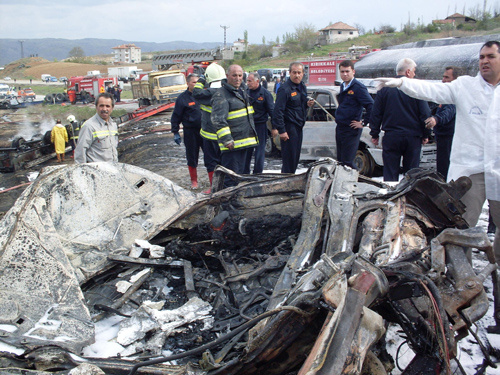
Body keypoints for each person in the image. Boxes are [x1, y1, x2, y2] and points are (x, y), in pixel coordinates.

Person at [375, 40, 500, 263]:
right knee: (461, 226)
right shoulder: (466, 86)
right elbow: (433, 90)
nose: (485, 61)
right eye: (482, 57)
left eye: (490, 56)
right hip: (471, 170)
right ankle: (463, 277)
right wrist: (402, 83)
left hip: (498, 169)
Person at [369, 58, 431, 181]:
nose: (414, 74)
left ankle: (390, 197)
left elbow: (376, 113)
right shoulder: (416, 88)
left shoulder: (385, 88)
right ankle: (408, 198)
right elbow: (425, 114)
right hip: (413, 137)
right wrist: (426, 134)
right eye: (414, 71)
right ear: (408, 72)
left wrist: (374, 133)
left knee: (390, 173)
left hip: (392, 136)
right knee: (412, 174)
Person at [211, 64, 258, 187]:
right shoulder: (221, 95)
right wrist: (227, 140)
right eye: (234, 75)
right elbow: (218, 120)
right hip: (232, 144)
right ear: (227, 76)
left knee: (240, 175)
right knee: (231, 176)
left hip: (244, 142)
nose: (237, 78)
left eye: (240, 75)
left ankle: (235, 199)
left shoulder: (241, 91)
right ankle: (227, 203)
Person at [272, 62, 314, 174]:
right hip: (289, 128)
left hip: (299, 126)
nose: (297, 75)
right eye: (294, 72)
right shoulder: (285, 89)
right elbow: (278, 111)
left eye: (299, 73)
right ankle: (286, 184)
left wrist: (307, 104)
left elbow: (298, 104)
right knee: (289, 160)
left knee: (295, 158)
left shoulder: (302, 87)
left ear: (303, 73)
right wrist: (282, 130)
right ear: (289, 73)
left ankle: (290, 182)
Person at [192, 62, 226, 193]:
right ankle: (225, 187)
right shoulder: (227, 92)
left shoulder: (204, 94)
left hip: (209, 135)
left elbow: (195, 91)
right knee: (225, 162)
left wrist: (201, 79)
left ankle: (214, 188)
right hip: (224, 135)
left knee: (211, 162)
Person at [335, 60, 374, 168]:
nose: (345, 74)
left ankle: (354, 182)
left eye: (347, 71)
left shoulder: (358, 87)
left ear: (353, 72)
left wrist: (363, 122)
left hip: (351, 128)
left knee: (348, 162)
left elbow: (371, 105)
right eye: (342, 72)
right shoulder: (343, 85)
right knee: (341, 161)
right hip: (341, 127)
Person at [423, 66, 459, 180]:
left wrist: (436, 119)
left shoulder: (454, 96)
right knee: (441, 168)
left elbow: (449, 112)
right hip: (442, 137)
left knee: (445, 170)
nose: (443, 80)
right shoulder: (445, 95)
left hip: (448, 138)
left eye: (447, 77)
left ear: (455, 80)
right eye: (443, 76)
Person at [171, 74, 204, 189]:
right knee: (192, 156)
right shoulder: (183, 98)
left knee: (211, 156)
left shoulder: (204, 95)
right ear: (188, 83)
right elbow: (176, 116)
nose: (196, 85)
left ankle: (214, 179)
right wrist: (175, 131)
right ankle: (194, 181)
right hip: (191, 132)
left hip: (205, 131)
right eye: (194, 82)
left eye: (198, 82)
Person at [74, 92, 118, 163]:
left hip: (112, 170)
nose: (104, 109)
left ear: (112, 108)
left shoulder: (113, 125)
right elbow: (80, 152)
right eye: (101, 106)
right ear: (96, 106)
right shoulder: (89, 126)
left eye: (107, 106)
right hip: (96, 171)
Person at [244, 72, 274, 174]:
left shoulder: (265, 94)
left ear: (257, 81)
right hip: (248, 126)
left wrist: (275, 127)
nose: (248, 83)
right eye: (247, 81)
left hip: (260, 126)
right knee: (247, 152)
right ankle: (245, 174)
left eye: (250, 81)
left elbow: (272, 111)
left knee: (259, 152)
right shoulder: (245, 93)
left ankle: (257, 173)